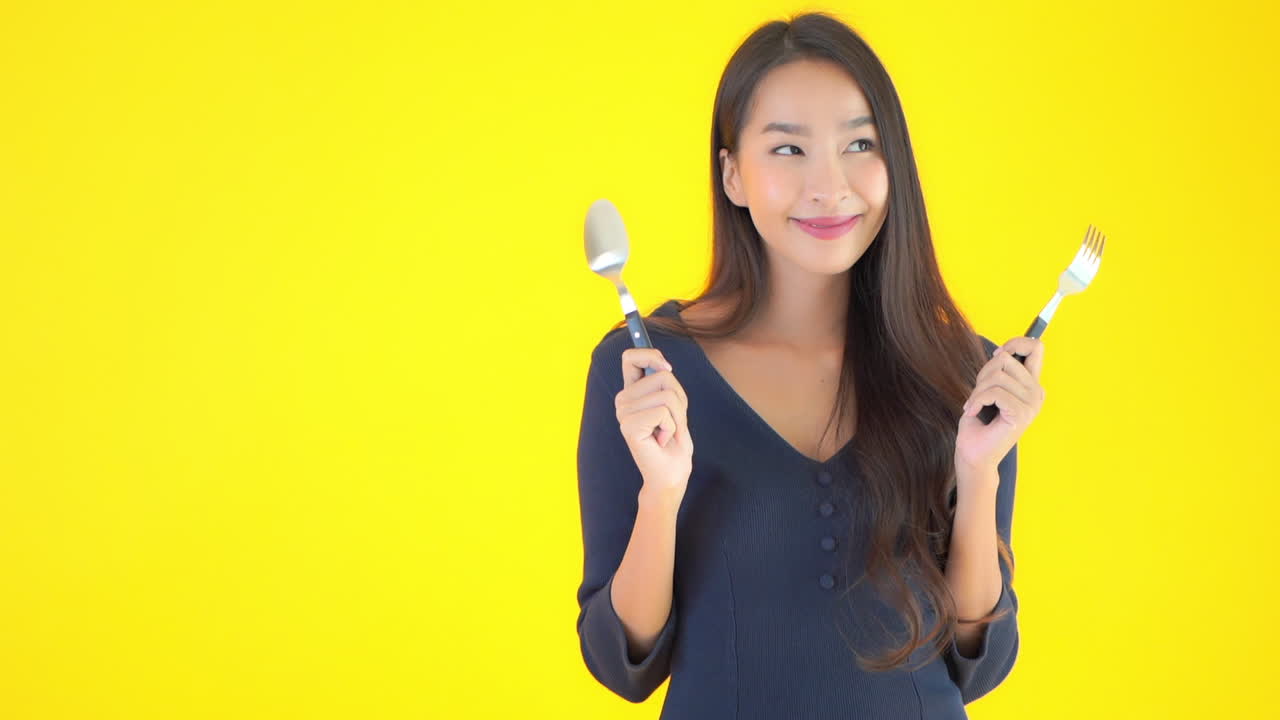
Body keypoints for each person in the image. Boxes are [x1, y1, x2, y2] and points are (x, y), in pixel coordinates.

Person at [574, 11, 1046, 719]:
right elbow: (624, 663)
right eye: (789, 151)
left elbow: (976, 663)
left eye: (861, 144)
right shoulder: (645, 370)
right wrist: (662, 494)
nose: (830, 186)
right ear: (732, 174)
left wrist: (978, 476)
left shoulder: (961, 373)